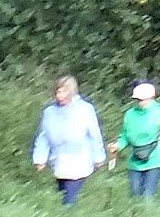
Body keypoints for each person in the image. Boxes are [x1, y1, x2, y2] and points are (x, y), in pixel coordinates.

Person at [33, 76, 106, 207]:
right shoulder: (50, 112)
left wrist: (99, 157)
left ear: (72, 92)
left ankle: (70, 216)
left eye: (64, 92)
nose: (60, 96)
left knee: (69, 196)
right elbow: (43, 137)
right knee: (63, 192)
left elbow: (94, 134)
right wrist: (40, 159)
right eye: (58, 92)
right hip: (59, 159)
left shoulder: (84, 109)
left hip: (80, 159)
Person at [110, 82, 160, 201]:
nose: (140, 102)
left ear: (151, 98)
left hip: (154, 158)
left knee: (148, 196)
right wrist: (118, 146)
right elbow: (125, 136)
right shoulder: (130, 114)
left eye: (143, 99)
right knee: (135, 194)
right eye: (138, 99)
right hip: (135, 160)